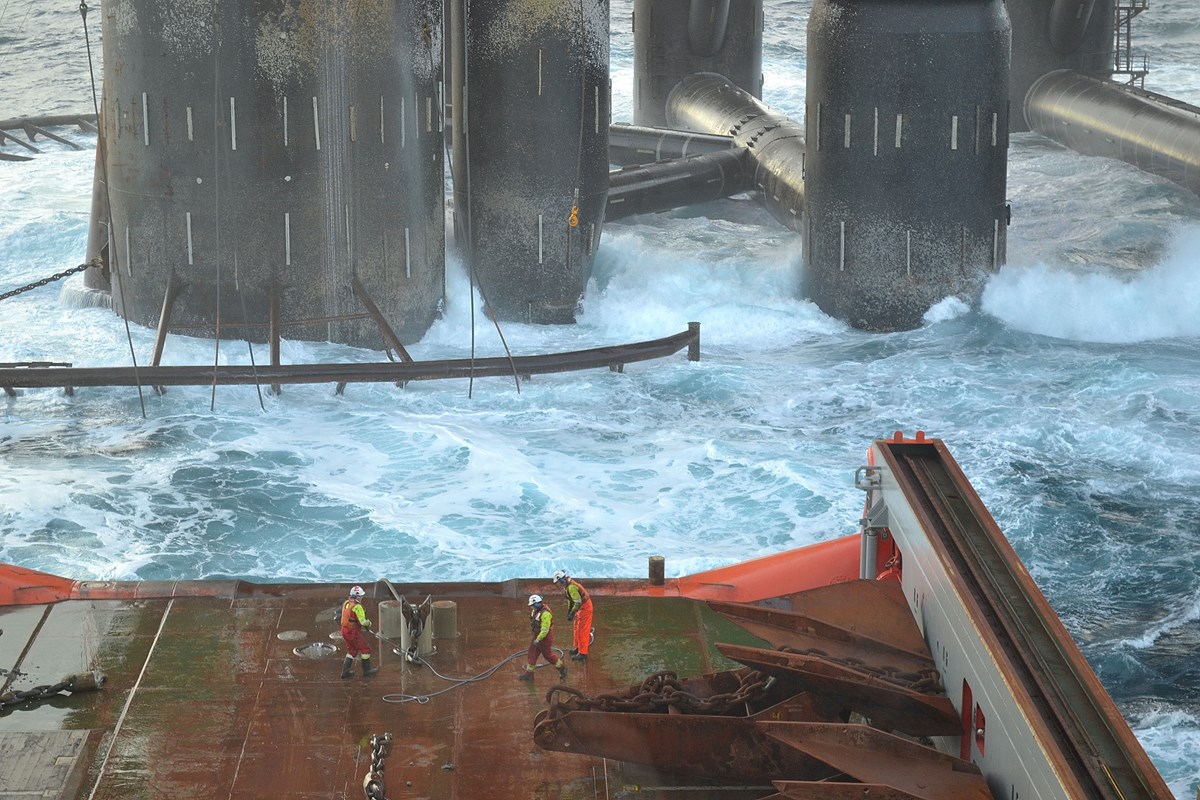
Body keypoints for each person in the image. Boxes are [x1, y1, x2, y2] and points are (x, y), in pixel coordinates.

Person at [520, 594, 567, 682]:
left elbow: (545, 630)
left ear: (537, 604)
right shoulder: (535, 611)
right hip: (537, 635)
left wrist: (538, 639)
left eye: (532, 605)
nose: (531, 607)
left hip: (544, 637)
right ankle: (529, 675)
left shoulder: (545, 614)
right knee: (532, 653)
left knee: (548, 655)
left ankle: (562, 669)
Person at [553, 569, 593, 662]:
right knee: (576, 628)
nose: (558, 585)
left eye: (558, 582)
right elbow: (570, 600)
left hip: (585, 608)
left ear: (561, 580)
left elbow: (578, 602)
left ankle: (583, 653)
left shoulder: (571, 587)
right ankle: (578, 648)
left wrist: (572, 612)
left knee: (583, 630)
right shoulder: (567, 586)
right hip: (579, 608)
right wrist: (570, 611)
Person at [340, 585, 379, 679]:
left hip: (344, 630)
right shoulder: (358, 607)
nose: (362, 597)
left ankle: (345, 672)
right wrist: (368, 623)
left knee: (352, 650)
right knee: (365, 650)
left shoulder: (346, 603)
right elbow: (363, 621)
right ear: (356, 596)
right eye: (360, 596)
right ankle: (367, 671)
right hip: (353, 632)